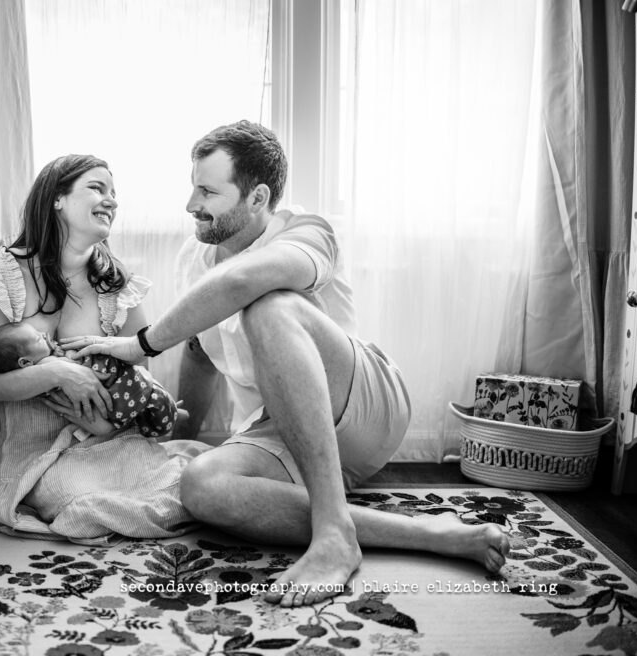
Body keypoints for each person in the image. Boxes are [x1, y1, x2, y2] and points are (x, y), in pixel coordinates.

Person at [63, 121, 510, 605]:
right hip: (284, 434)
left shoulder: (307, 230)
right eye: (193, 187)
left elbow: (241, 284)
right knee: (201, 484)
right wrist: (178, 437)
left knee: (267, 305)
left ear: (257, 198)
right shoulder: (195, 253)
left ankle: (334, 535)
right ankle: (431, 535)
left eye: (207, 191)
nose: (191, 205)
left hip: (365, 407)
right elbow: (200, 352)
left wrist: (140, 345)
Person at [0, 154, 207, 544]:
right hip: (27, 451)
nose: (111, 200)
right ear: (57, 198)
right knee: (81, 503)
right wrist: (59, 372)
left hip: (105, 437)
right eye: (97, 188)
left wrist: (106, 427)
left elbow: (139, 384)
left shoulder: (118, 287)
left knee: (195, 487)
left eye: (114, 193)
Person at [0, 320, 177, 438]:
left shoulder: (48, 359)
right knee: (148, 401)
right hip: (116, 389)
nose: (43, 334)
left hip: (117, 381)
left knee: (151, 400)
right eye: (37, 339)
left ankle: (171, 410)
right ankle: (170, 411)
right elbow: (74, 373)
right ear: (25, 363)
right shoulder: (46, 365)